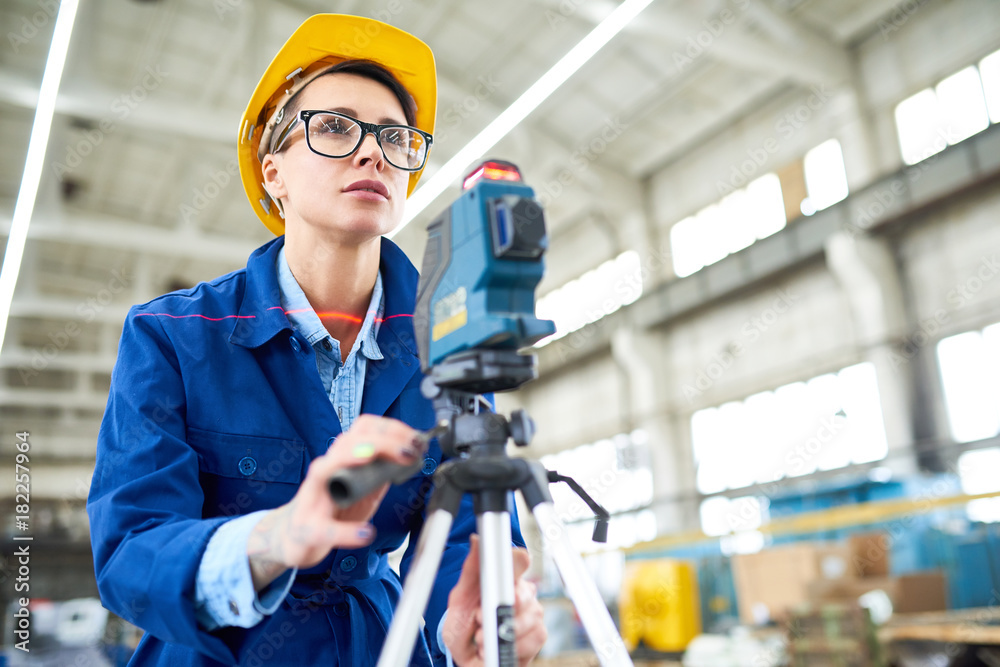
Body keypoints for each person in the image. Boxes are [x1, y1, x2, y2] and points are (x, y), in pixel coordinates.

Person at [87, 14, 546, 666]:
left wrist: (465, 624)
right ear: (272, 172)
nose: (373, 152)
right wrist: (278, 536)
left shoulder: (450, 344)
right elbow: (131, 549)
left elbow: (459, 542)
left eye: (396, 137)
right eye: (334, 127)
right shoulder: (172, 336)